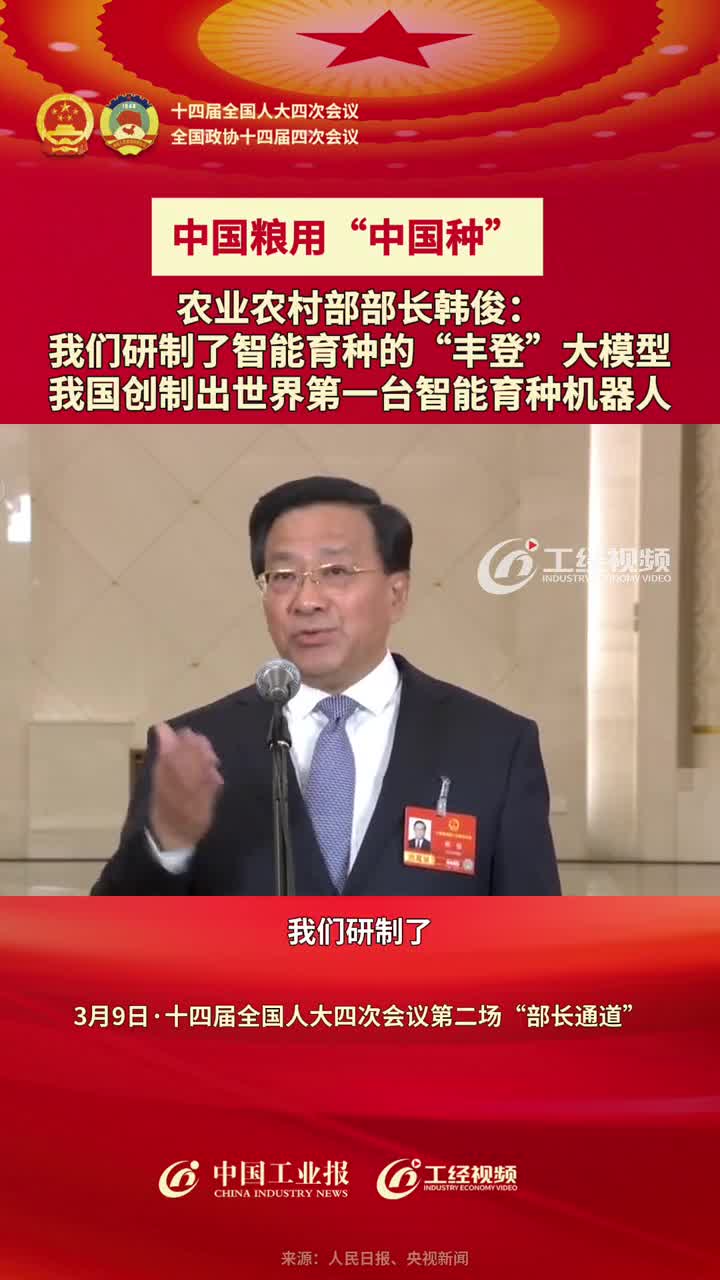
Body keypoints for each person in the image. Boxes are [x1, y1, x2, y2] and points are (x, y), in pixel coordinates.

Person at [91, 476, 561, 896]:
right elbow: (115, 937)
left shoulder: (495, 746)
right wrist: (168, 843)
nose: (307, 600)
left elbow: (536, 942)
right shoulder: (194, 751)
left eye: (336, 572)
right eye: (282, 577)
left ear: (396, 593)